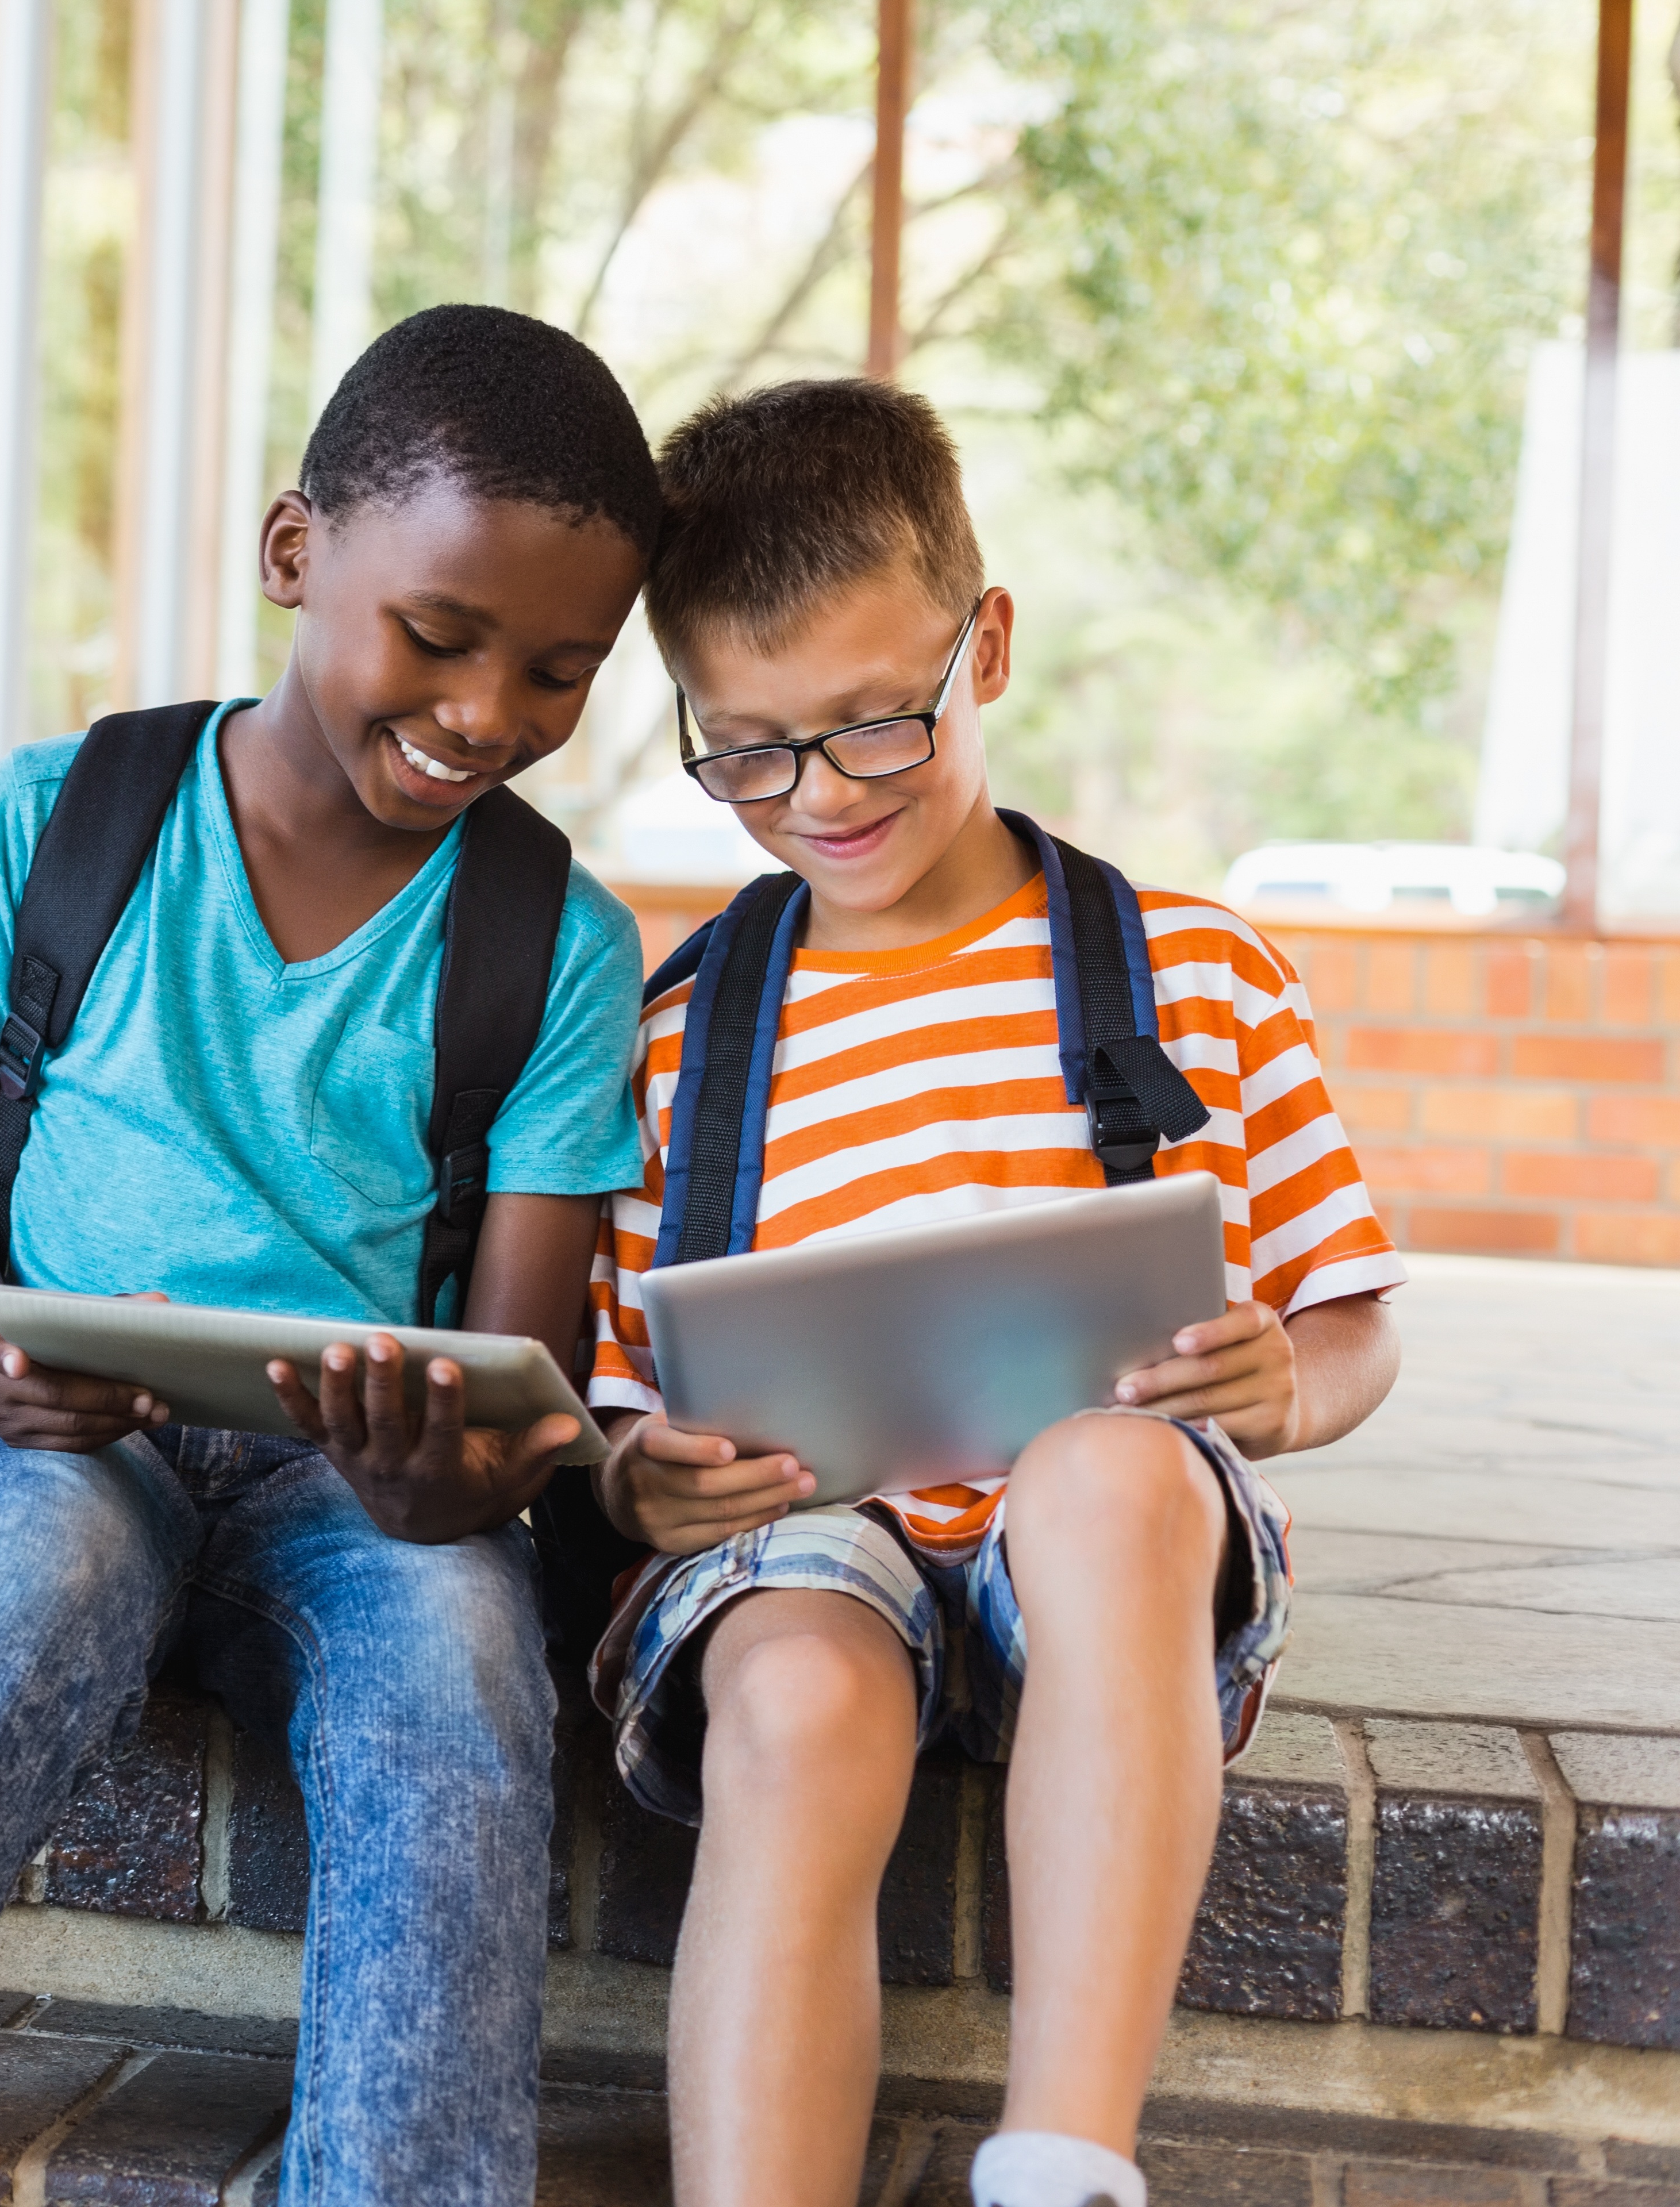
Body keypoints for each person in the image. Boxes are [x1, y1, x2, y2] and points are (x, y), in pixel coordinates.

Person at [0, 304, 660, 2207]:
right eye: (439, 638)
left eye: (561, 675)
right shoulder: (59, 822)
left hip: (361, 1501)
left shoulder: (553, 946)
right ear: (293, 553)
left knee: (458, 1653)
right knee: (32, 1569)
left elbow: (522, 1388)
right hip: (57, 1437)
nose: (491, 714)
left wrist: (458, 1486)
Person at [585, 378, 1404, 2207]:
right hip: (817, 1553)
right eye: (753, 752)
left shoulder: (1192, 971)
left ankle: (1059, 2159)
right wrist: (648, 1482)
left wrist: (1286, 1388)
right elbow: (631, 1401)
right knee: (791, 1693)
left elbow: (1351, 1324)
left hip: (1098, 1571)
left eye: (879, 725)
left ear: (990, 645)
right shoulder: (676, 1036)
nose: (823, 798)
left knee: (1104, 1470)